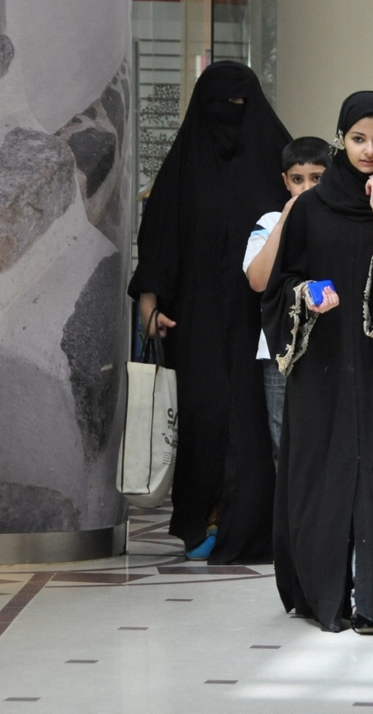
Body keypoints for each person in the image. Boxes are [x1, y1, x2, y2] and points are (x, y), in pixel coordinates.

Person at [264, 91, 373, 634]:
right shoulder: (312, 207)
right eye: (358, 139)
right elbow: (279, 284)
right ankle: (322, 593)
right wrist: (306, 292)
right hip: (325, 360)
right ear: (341, 138)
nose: (369, 150)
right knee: (322, 472)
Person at [129, 61, 292, 563]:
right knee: (204, 418)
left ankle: (251, 522)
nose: (228, 118)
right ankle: (201, 518)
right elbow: (160, 233)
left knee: (250, 420)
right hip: (194, 320)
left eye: (238, 108)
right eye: (218, 108)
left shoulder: (275, 161)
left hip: (257, 321)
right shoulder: (184, 166)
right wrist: (150, 299)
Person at [243, 137, 330, 466]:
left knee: (329, 440)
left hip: (330, 347)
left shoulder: (343, 222)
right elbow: (258, 280)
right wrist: (285, 220)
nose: (307, 188)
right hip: (280, 350)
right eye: (298, 180)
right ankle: (292, 519)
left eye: (317, 178)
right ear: (285, 181)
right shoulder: (268, 223)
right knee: (285, 443)